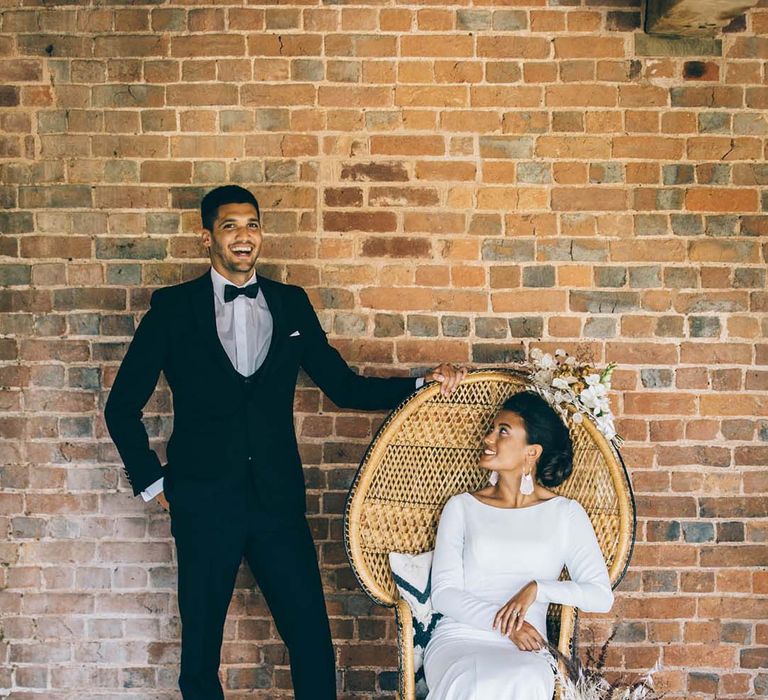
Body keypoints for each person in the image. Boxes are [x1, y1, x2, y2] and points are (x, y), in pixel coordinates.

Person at [103, 185, 467, 700]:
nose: (243, 236)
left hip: (277, 503)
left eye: (251, 225)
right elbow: (120, 407)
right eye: (230, 226)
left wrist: (417, 385)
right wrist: (153, 481)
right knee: (200, 653)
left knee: (313, 644)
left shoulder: (291, 304)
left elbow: (342, 387)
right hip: (203, 502)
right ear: (207, 237)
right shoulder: (173, 309)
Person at [423, 391, 614, 699]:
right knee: (474, 683)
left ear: (531, 452)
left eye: (502, 431)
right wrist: (507, 625)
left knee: (524, 678)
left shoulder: (565, 514)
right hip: (461, 637)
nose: (488, 438)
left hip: (529, 646)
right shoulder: (461, 507)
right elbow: (444, 594)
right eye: (491, 429)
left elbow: (600, 596)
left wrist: (538, 588)